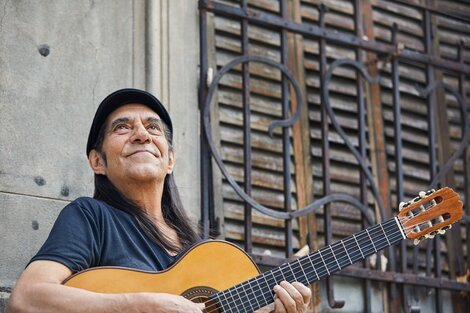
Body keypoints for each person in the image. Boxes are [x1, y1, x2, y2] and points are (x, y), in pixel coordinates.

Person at [7, 88, 311, 313]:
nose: (142, 135)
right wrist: (140, 305)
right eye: (122, 127)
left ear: (170, 160)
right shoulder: (90, 216)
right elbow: (26, 299)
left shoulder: (199, 251)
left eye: (153, 128)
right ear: (97, 161)